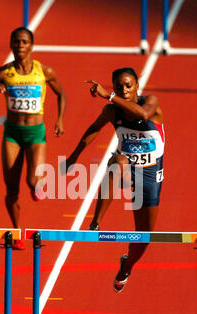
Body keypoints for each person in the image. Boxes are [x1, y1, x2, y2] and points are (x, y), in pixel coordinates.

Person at [64, 67, 164, 292]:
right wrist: (74, 156)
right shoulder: (111, 112)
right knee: (117, 161)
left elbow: (143, 115)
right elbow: (93, 129)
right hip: (126, 167)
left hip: (149, 174)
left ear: (137, 86)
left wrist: (110, 95)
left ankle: (126, 266)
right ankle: (95, 222)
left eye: (128, 86)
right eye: (119, 87)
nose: (124, 90)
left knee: (144, 237)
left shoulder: (151, 102)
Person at [0, 27, 66, 249]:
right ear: (11, 45)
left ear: (31, 46)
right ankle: (17, 232)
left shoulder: (44, 71)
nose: (20, 45)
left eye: (24, 42)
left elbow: (61, 94)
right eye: (16, 42)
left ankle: (39, 185)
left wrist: (60, 119)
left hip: (36, 133)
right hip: (13, 134)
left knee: (33, 181)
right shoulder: (2, 73)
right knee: (11, 189)